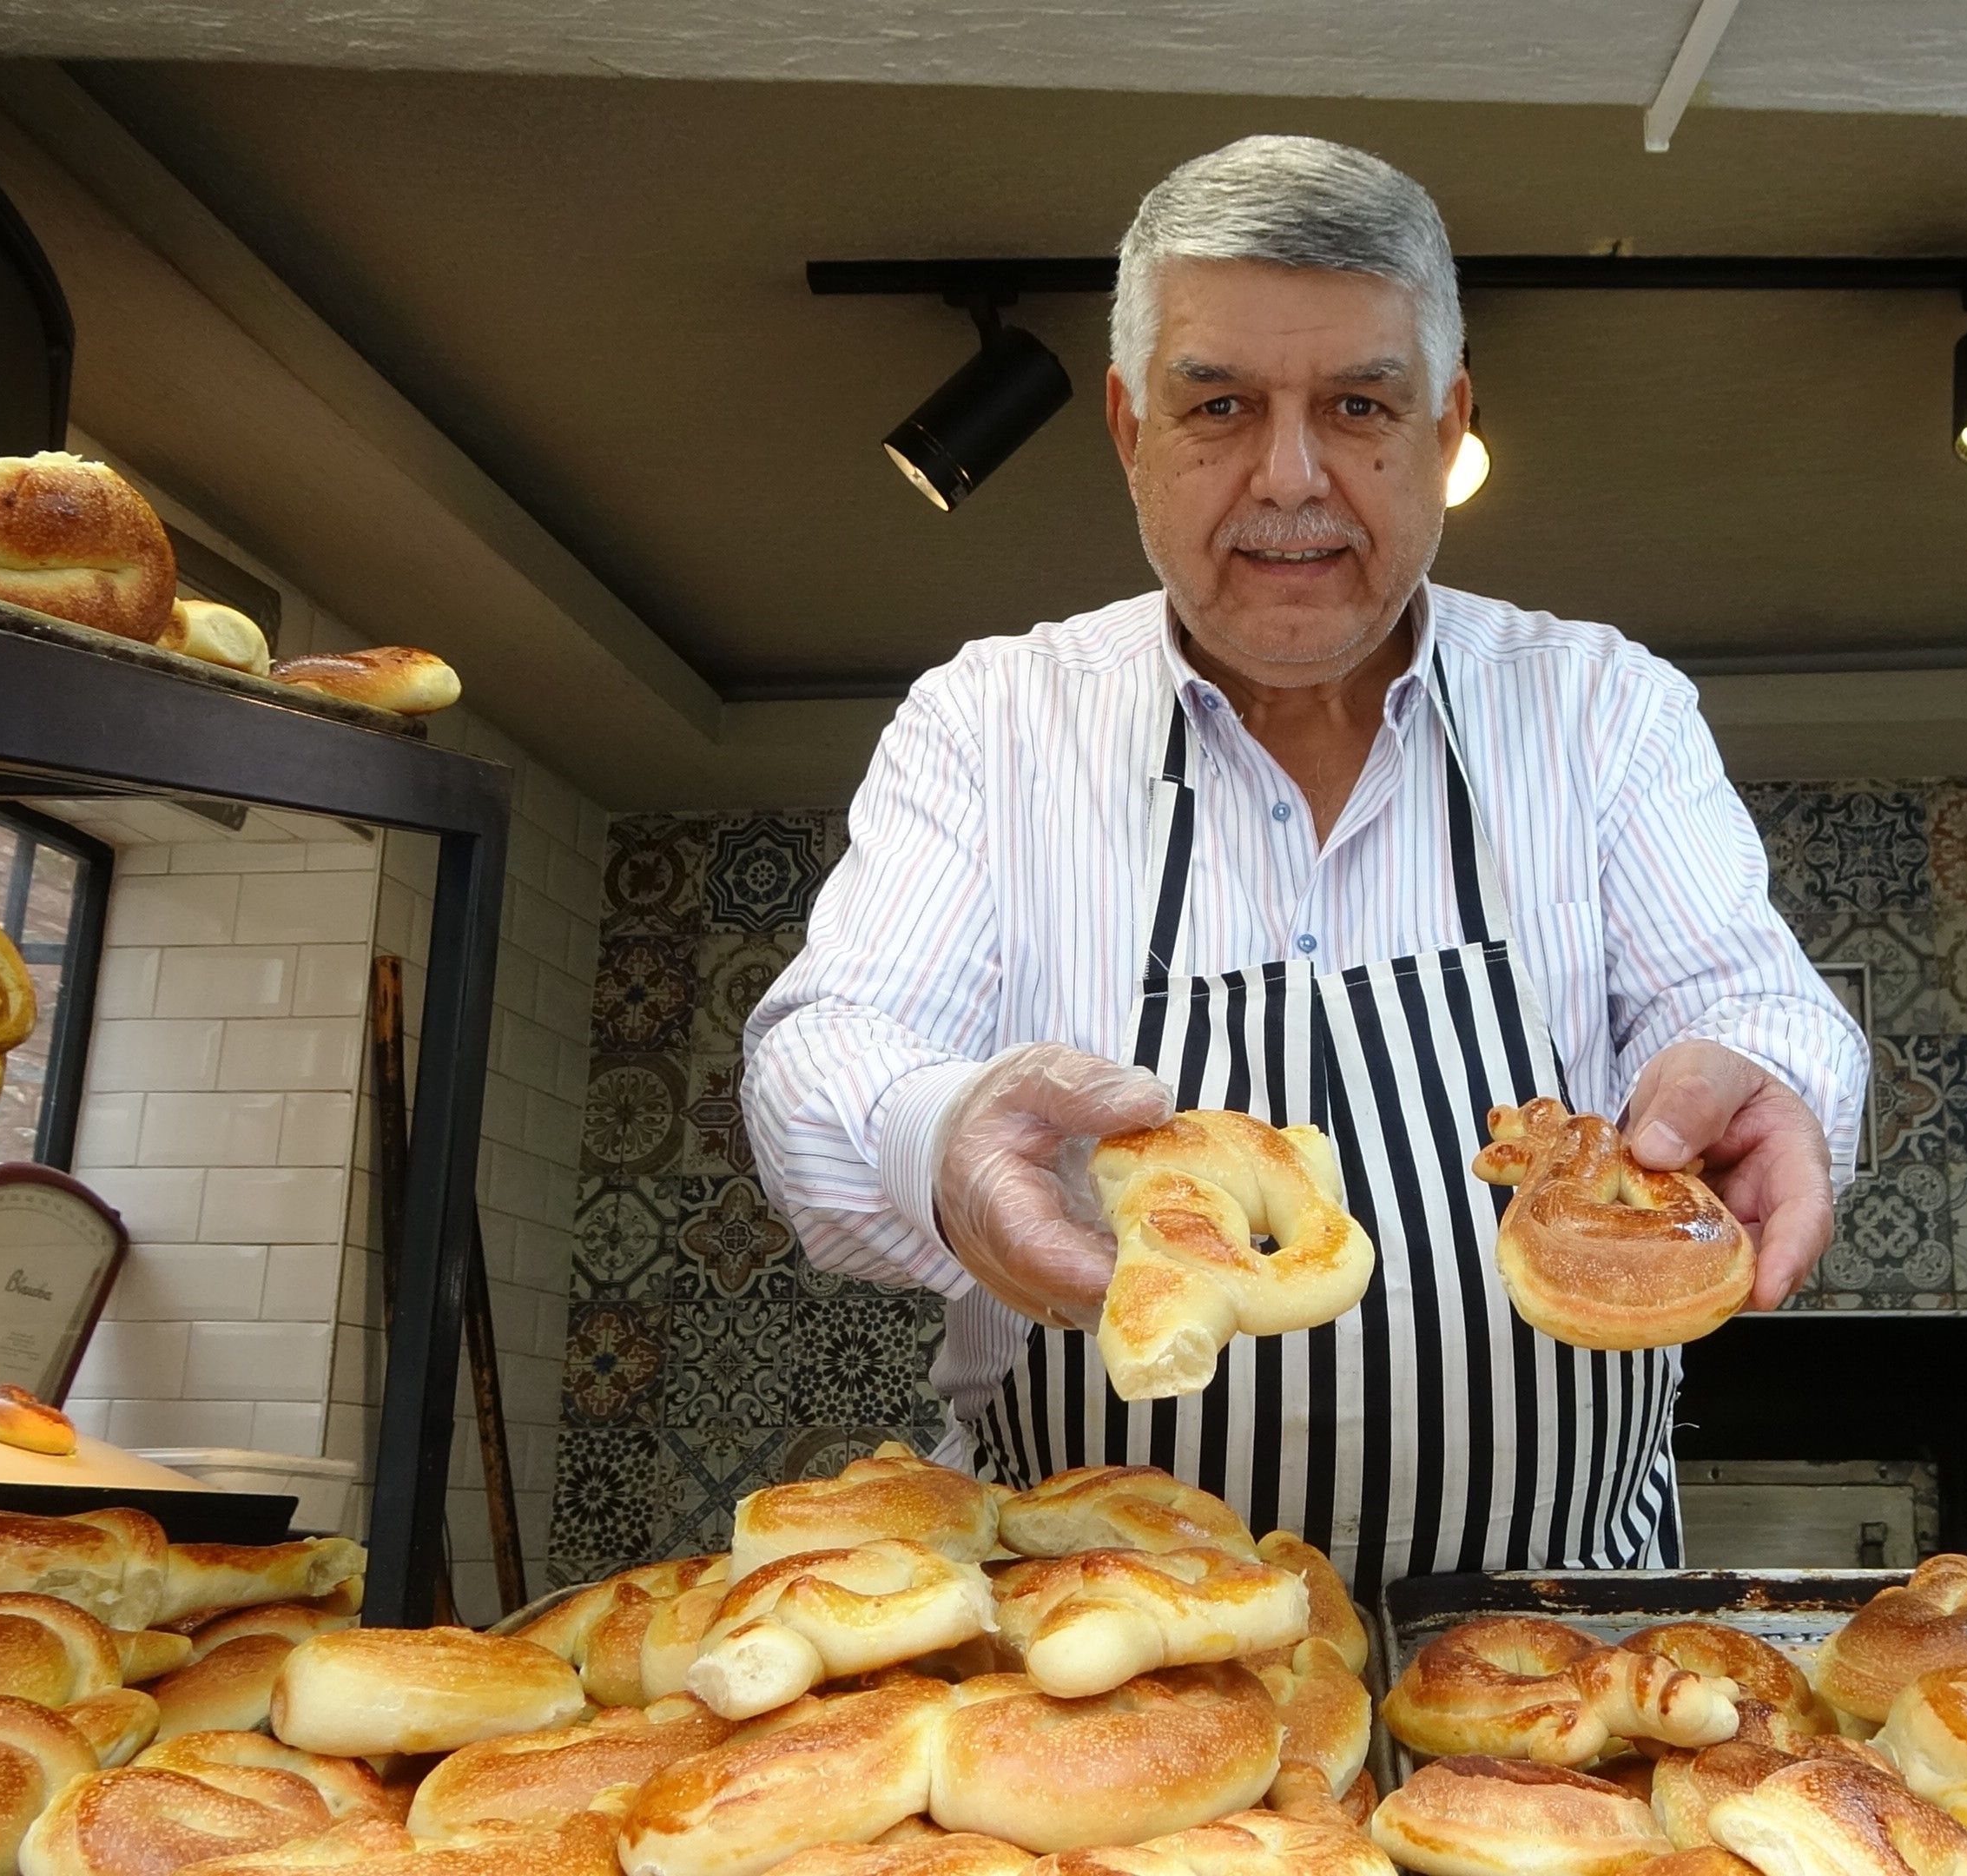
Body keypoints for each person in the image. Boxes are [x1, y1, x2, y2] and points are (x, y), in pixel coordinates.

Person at [743, 134, 1866, 1589]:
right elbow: (821, 1055)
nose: (1291, 476)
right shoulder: (991, 721)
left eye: (1358, 404)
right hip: (1103, 1691)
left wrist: (1779, 1081)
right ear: (1129, 428)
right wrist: (943, 1138)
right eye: (1220, 407)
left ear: (1448, 421)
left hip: (1567, 1650)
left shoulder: (1602, 708)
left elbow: (1757, 1004)